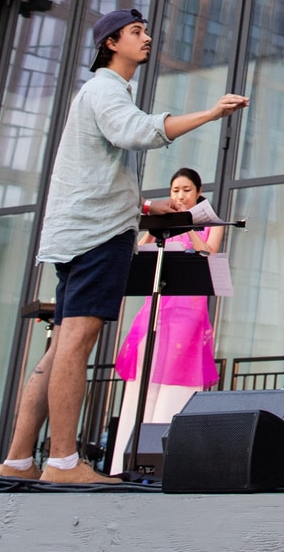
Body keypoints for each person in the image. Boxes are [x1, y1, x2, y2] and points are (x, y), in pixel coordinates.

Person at [0, 8, 246, 484]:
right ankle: (64, 463)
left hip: (80, 232)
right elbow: (135, 132)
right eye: (137, 32)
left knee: (57, 350)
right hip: (95, 238)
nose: (147, 38)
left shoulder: (103, 92)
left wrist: (147, 208)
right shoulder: (106, 89)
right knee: (75, 345)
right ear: (111, 42)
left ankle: (18, 459)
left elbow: (102, 173)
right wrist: (211, 113)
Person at [107, 167, 224, 474]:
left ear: (198, 193)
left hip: (188, 314)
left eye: (186, 190)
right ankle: (125, 463)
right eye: (174, 190)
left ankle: (165, 463)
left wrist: (185, 226)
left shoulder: (209, 222)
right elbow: (139, 252)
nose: (180, 195)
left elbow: (208, 255)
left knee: (176, 381)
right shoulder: (163, 223)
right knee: (143, 384)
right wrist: (158, 225)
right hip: (157, 311)